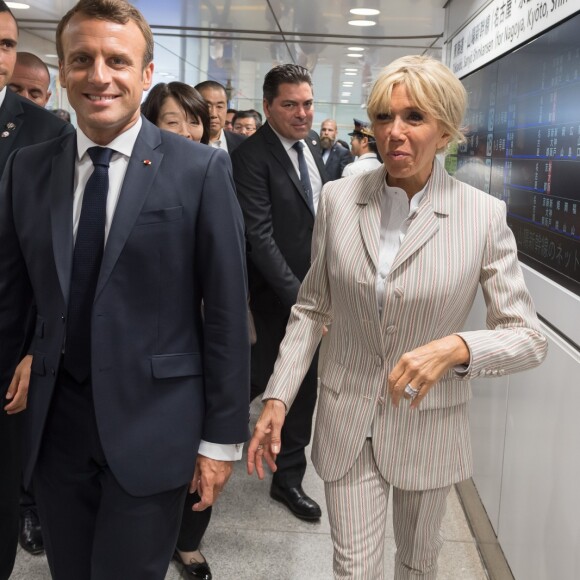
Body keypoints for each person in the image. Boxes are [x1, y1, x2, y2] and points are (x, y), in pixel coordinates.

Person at [247, 54, 547, 579]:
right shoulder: (339, 200)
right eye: (384, 118)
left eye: (414, 118)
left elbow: (526, 337)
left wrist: (458, 348)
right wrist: (278, 395)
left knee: (417, 565)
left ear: (446, 129)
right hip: (347, 419)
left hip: (427, 423)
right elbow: (313, 306)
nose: (395, 133)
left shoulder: (481, 216)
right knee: (353, 569)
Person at [0, 2, 250, 580]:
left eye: (118, 60)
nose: (99, 75)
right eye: (82, 59)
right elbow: (14, 298)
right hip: (56, 427)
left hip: (154, 424)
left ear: (145, 73)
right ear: (63, 71)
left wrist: (220, 441)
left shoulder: (198, 171)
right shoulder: (28, 169)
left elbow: (227, 315)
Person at [232, 64, 328, 522]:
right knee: (249, 383)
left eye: (307, 103)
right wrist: (301, 299)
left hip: (312, 297)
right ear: (268, 106)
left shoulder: (312, 152)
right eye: (290, 104)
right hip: (272, 302)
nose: (302, 113)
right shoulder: (251, 157)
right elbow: (259, 238)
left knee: (304, 388)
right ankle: (207, 454)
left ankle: (288, 479)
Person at [0, 3, 73, 577]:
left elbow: (54, 257)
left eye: (5, 44)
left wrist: (35, 347)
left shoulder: (47, 133)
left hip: (8, 352)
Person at [141, 80, 214, 580]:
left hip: (204, 335)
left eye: (195, 120)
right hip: (151, 339)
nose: (187, 131)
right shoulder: (137, 174)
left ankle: (189, 540)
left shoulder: (213, 171)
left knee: (202, 446)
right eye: (174, 121)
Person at [194, 81, 245, 153]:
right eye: (207, 106)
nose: (213, 114)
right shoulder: (186, 143)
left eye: (219, 106)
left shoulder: (243, 144)